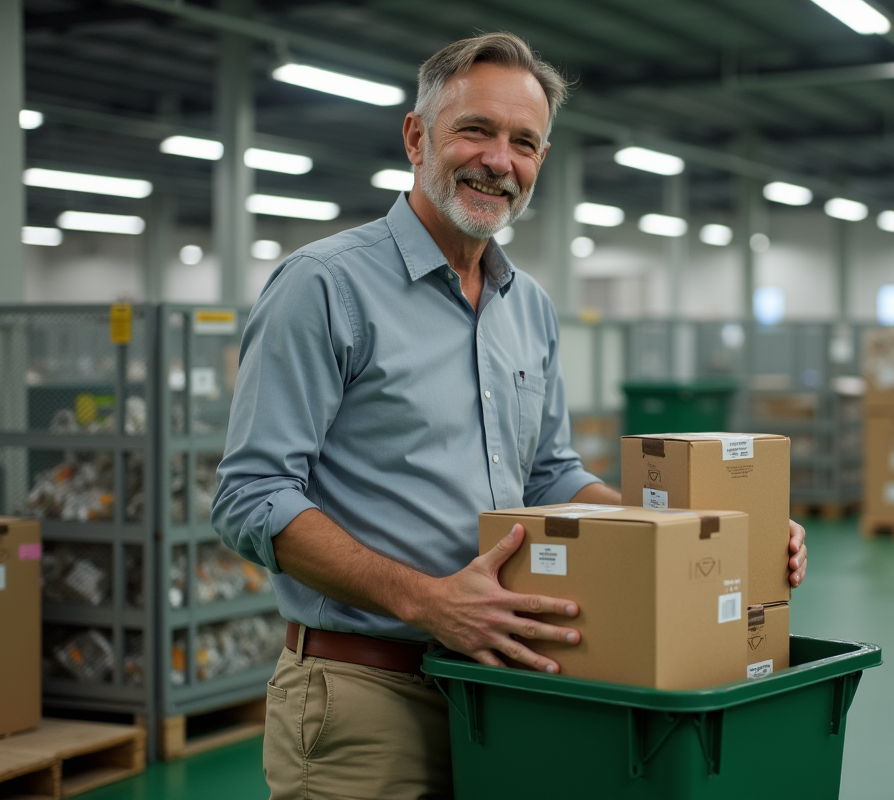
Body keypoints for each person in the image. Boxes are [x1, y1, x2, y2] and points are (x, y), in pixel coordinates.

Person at [212, 31, 808, 800]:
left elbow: (551, 475)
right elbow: (250, 497)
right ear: (416, 137)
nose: (500, 160)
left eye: (523, 142)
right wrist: (427, 600)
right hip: (368, 695)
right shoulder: (324, 286)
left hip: (515, 692)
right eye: (476, 130)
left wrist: (710, 540)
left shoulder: (527, 307)